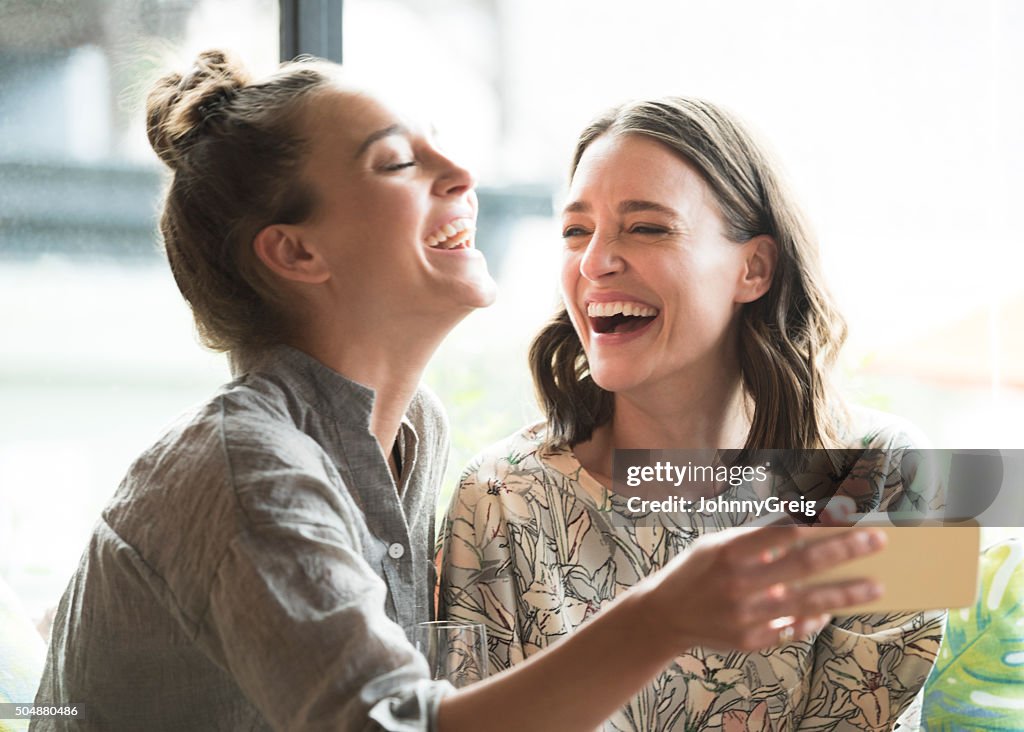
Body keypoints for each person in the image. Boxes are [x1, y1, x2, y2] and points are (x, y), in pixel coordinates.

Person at [33, 53, 888, 732]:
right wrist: (661, 617)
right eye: (400, 161)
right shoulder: (267, 473)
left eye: (648, 226)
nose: (461, 173)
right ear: (296, 254)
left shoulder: (412, 438)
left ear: (756, 267)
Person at [438, 97, 945, 731]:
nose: (594, 261)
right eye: (575, 231)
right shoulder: (497, 496)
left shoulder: (887, 474)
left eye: (647, 227)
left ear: (753, 267)